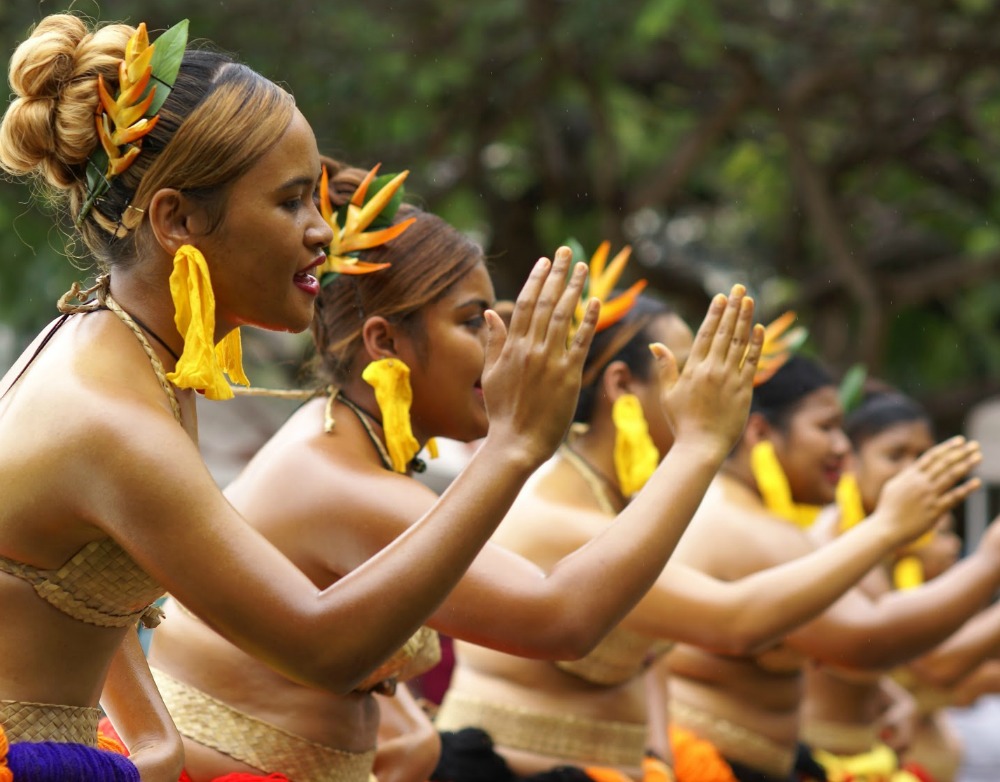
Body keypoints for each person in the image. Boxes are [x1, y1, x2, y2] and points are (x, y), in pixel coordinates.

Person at [0, 14, 601, 781]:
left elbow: (91, 589)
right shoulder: (111, 416)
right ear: (176, 220)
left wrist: (154, 746)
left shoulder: (124, 354)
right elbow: (324, 646)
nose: (322, 233)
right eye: (289, 204)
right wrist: (513, 450)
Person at [146, 180, 767, 781]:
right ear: (384, 342)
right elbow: (563, 621)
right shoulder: (341, 480)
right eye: (474, 323)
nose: (500, 347)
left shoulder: (346, 446)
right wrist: (700, 446)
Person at [433, 303, 982, 781]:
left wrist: (659, 758)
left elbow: (647, 666)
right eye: (688, 370)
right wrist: (894, 532)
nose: (714, 389)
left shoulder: (619, 509)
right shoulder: (560, 519)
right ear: (624, 387)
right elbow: (737, 624)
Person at [662, 357, 1000, 782]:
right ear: (761, 433)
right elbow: (867, 640)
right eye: (826, 428)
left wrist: (889, 691)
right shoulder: (747, 527)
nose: (843, 448)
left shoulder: (760, 522)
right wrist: (991, 558)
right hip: (712, 764)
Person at [802, 390, 1000, 782]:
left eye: (922, 457)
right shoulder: (831, 541)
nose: (914, 472)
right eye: (895, 456)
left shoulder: (908, 550)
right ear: (849, 461)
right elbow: (934, 665)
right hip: (831, 762)